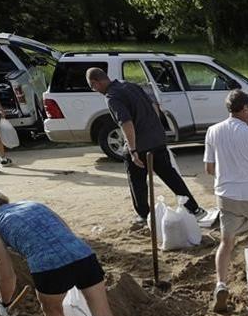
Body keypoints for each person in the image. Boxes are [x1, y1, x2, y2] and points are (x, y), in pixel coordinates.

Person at [0, 185, 128, 316]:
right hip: (83, 256)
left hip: (50, 268)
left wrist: (4, 304)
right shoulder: (33, 204)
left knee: (53, 311)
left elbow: (7, 276)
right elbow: (66, 230)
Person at [86, 68, 205, 225]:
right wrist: (154, 129)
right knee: (171, 176)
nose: (95, 90)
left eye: (93, 87)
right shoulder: (130, 85)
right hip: (156, 139)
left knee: (137, 182)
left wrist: (133, 149)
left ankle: (144, 216)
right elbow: (154, 106)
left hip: (140, 145)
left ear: (96, 82)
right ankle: (194, 209)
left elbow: (126, 123)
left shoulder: (112, 97)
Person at [204, 89, 248, 313]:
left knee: (227, 242)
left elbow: (209, 168)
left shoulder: (213, 131)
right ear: (245, 109)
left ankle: (221, 283)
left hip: (227, 195)